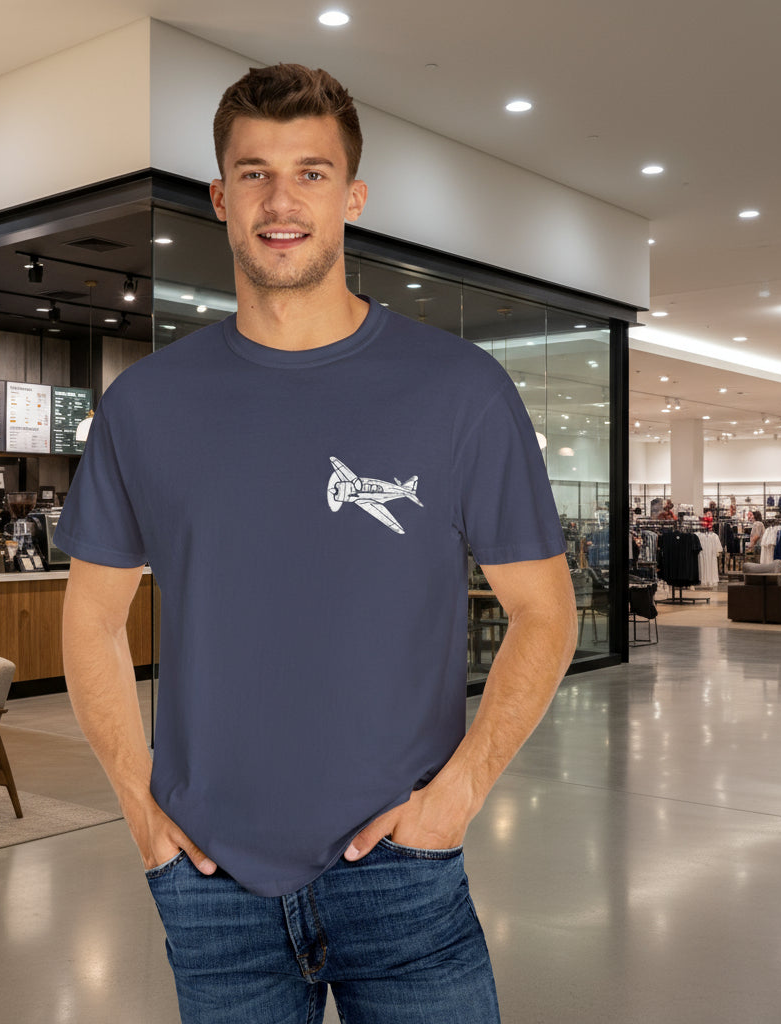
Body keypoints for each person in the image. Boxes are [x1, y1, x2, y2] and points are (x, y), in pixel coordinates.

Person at [57, 63, 577, 1023]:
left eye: (310, 171)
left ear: (353, 196)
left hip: (404, 875)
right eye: (253, 173)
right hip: (210, 885)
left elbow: (546, 613)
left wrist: (453, 801)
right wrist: (142, 813)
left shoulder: (458, 390)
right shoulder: (144, 406)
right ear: (219, 197)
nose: (280, 199)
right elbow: (90, 620)